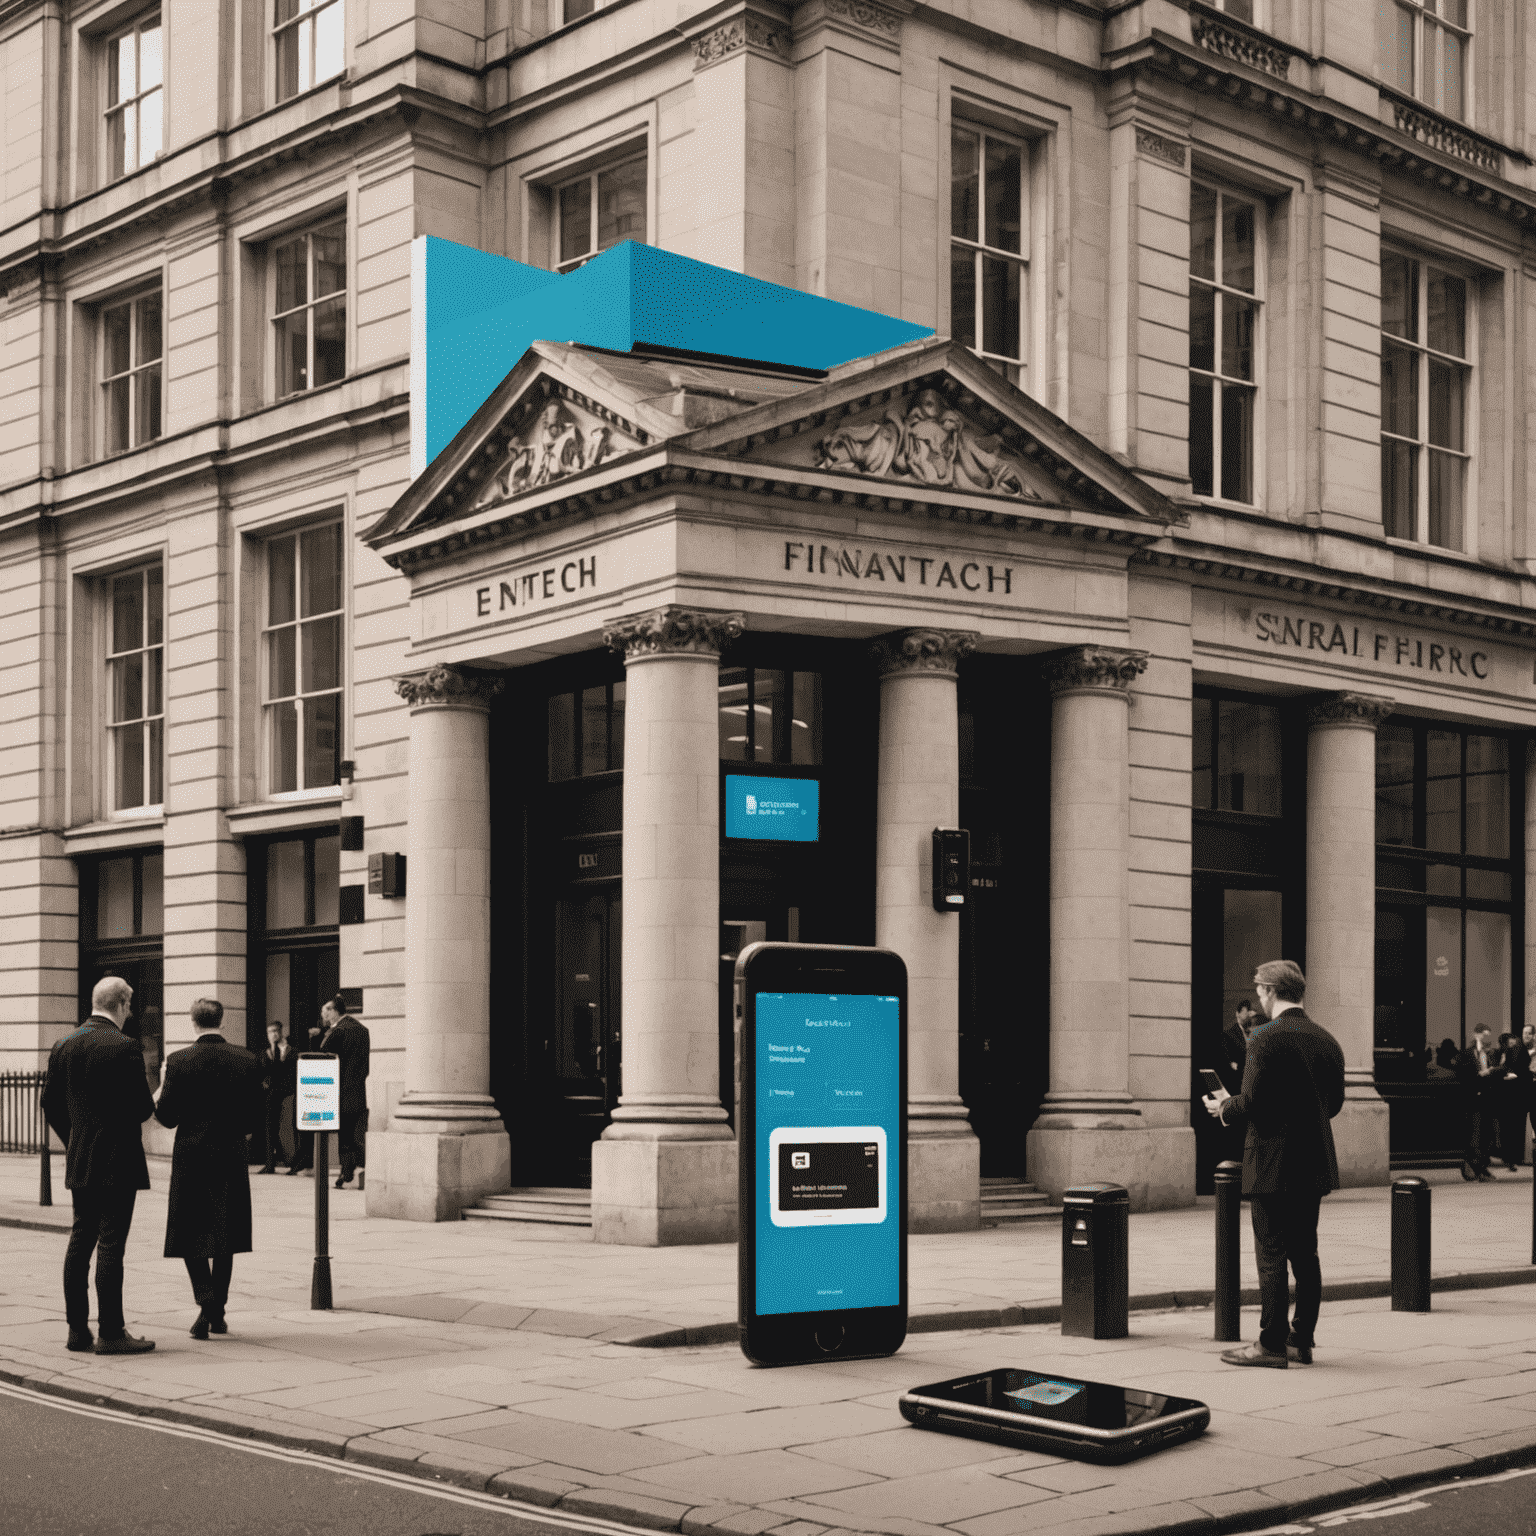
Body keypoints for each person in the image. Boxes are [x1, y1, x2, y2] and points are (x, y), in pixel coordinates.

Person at [1203, 959, 1345, 1369]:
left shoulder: (1264, 1038)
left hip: (1271, 1161)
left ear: (1267, 991)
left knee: (1271, 1254)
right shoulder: (1327, 1039)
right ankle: (1301, 1341)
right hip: (1313, 1160)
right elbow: (1332, 1105)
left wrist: (1223, 1107)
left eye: (1259, 991)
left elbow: (1251, 1103)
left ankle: (1270, 1344)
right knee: (1305, 1253)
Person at [40, 975, 157, 1355]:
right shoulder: (124, 1046)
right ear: (121, 1005)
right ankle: (110, 1331)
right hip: (118, 1160)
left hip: (82, 1159)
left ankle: (77, 1330)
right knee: (110, 1244)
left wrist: (75, 1138)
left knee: (80, 1241)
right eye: (129, 1006)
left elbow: (50, 1104)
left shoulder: (64, 1045)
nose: (130, 1013)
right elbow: (142, 1109)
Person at [153, 998, 263, 1340]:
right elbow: (254, 1118)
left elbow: (167, 1118)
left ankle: (206, 1300)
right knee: (225, 1233)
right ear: (222, 1020)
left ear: (193, 1021)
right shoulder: (247, 1060)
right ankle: (217, 1311)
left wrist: (160, 1086)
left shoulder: (178, 1061)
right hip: (230, 1154)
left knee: (189, 1232)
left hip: (191, 1156)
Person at [319, 996, 370, 1189]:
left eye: (325, 1011)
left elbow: (322, 1050)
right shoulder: (362, 1030)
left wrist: (327, 1031)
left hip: (340, 1090)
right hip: (358, 1090)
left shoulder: (338, 1030)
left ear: (334, 1012)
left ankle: (346, 1173)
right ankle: (358, 1171)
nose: (323, 1015)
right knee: (357, 1134)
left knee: (345, 1135)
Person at [1455, 1024, 1499, 1182]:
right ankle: (1473, 1165)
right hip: (1473, 1099)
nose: (1489, 1039)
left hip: (1489, 1099)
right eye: (1486, 1036)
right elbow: (1461, 1074)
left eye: (1490, 1036)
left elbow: (1495, 1072)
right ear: (1477, 1035)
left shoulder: (1492, 1054)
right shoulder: (1467, 1053)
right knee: (1475, 1134)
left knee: (1488, 1134)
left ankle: (1482, 1166)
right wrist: (1478, 1077)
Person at [286, 1014, 325, 1175]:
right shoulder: (296, 1043)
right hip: (302, 1089)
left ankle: (306, 1161)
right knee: (301, 1126)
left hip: (314, 1088)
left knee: (311, 1127)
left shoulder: (323, 1038)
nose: (312, 1032)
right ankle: (302, 1161)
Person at [257, 1021, 295, 1174]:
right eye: (269, 1032)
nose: (272, 1034)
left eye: (275, 1031)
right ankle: (269, 1163)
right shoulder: (265, 1053)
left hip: (287, 1094)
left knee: (287, 1129)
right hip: (270, 1096)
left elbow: (289, 1072)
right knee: (269, 1130)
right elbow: (262, 1072)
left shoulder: (290, 1051)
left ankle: (291, 1161)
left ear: (281, 1032)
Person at [1498, 1029, 1530, 1170]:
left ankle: (1511, 1158)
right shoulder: (1503, 1054)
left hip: (1514, 1097)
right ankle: (1510, 1158)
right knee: (1510, 1128)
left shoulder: (1515, 1055)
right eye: (1509, 1043)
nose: (1512, 1046)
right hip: (1510, 1098)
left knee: (1512, 1128)